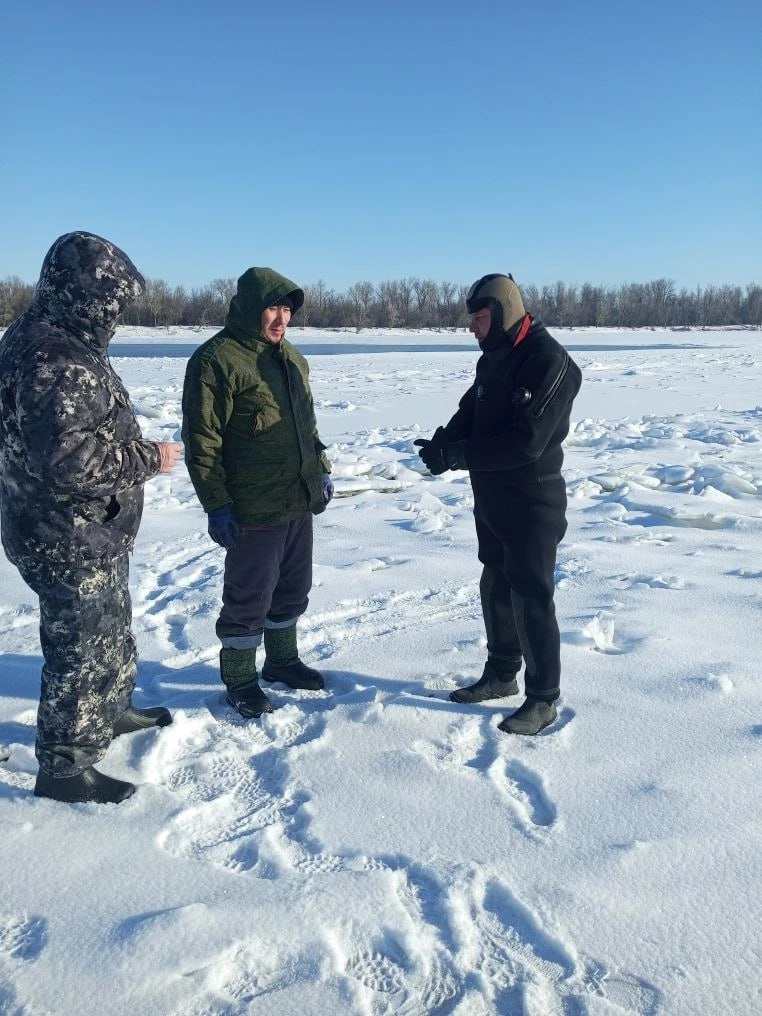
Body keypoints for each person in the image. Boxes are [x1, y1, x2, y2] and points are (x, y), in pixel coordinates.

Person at [0, 231, 182, 803]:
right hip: (63, 533)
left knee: (109, 625)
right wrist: (149, 458)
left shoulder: (51, 337)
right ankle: (64, 765)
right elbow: (70, 461)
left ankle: (112, 709)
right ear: (85, 295)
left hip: (87, 530)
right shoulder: (52, 356)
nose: (116, 315)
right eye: (112, 302)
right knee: (79, 644)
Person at [415, 273, 581, 735]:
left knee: (532, 595)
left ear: (505, 314)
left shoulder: (549, 362)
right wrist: (444, 442)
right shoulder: (494, 358)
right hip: (492, 496)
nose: (472, 328)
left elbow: (526, 443)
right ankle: (502, 673)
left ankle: (544, 698)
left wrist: (461, 455)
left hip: (532, 500)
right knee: (495, 584)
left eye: (480, 318)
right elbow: (472, 409)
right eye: (471, 319)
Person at [182, 267, 332, 719]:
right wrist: (218, 505)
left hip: (296, 500)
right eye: (274, 307)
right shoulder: (215, 361)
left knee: (292, 589)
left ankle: (282, 661)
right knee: (249, 596)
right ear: (250, 308)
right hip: (252, 507)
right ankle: (241, 679)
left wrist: (320, 468)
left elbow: (307, 427)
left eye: (288, 309)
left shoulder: (292, 359)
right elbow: (202, 443)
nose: (282, 318)